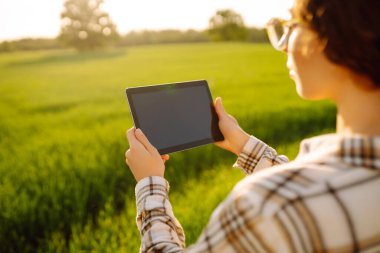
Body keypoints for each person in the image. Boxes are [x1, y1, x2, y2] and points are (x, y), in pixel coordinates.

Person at [125, 0, 380, 252]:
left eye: (292, 24)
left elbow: (295, 197)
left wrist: (150, 182)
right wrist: (244, 145)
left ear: (340, 36)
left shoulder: (268, 205)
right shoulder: (324, 190)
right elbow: (322, 190)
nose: (282, 45)